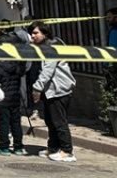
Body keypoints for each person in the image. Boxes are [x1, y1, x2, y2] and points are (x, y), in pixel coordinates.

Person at [30, 22, 77, 163]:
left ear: (45, 34)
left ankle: (67, 151)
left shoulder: (52, 47)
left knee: (59, 121)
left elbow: (48, 71)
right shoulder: (42, 48)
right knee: (50, 121)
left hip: (59, 90)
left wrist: (37, 88)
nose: (33, 36)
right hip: (49, 90)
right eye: (32, 33)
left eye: (36, 33)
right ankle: (53, 148)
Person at [0, 33, 29, 156]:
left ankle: (4, 147)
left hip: (2, 98)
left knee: (3, 123)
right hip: (15, 97)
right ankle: (18, 147)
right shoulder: (18, 64)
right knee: (16, 122)